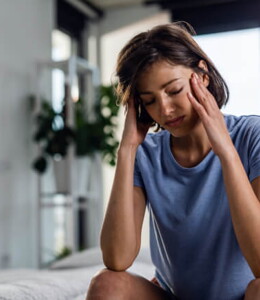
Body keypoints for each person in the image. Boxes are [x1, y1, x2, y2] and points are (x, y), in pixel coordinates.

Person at [86, 21, 260, 300]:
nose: (164, 110)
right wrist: (127, 150)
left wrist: (226, 152)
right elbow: (117, 259)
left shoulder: (252, 136)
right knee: (107, 284)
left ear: (202, 75)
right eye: (150, 100)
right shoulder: (146, 152)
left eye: (173, 91)